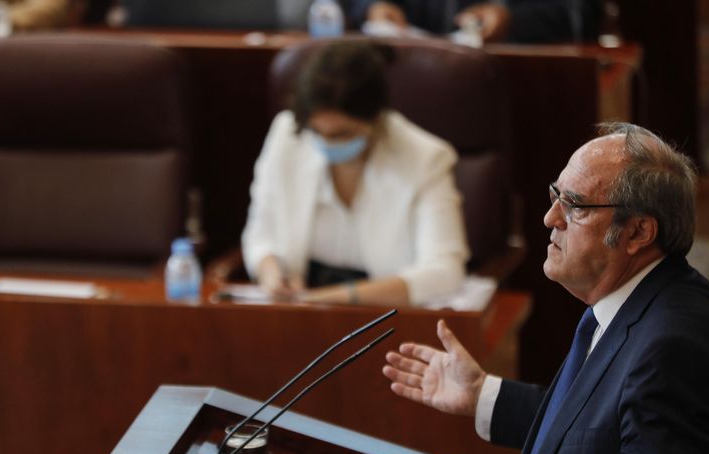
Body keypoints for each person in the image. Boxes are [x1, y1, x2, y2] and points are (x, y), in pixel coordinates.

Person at [383, 123, 709, 454]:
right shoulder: (634, 302)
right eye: (556, 195)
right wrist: (482, 394)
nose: (550, 218)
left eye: (574, 205)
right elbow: (597, 430)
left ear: (639, 233)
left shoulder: (671, 350)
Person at [241, 41, 470, 307]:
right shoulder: (288, 135)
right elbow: (259, 236)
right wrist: (271, 273)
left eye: (342, 134)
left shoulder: (425, 158)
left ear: (374, 119)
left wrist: (328, 300)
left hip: (383, 315)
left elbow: (444, 271)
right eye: (317, 132)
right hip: (298, 310)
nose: (327, 143)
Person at [350, 0, 602, 43]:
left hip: (518, 81)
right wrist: (373, 5)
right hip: (416, 77)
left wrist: (513, 21)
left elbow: (585, 13)